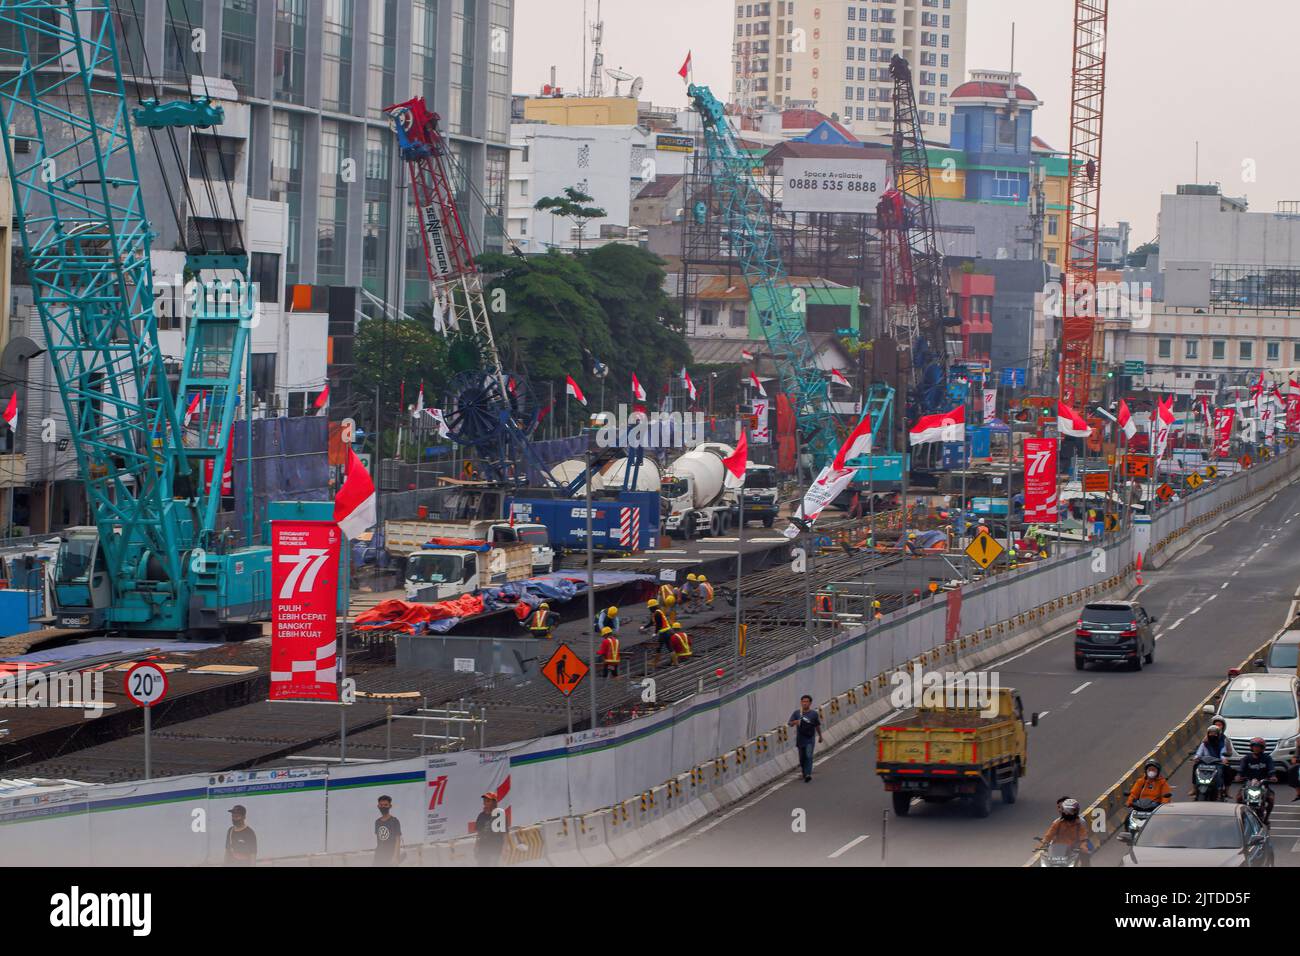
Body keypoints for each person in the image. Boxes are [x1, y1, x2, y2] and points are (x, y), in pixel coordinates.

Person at [1039, 798, 1091, 865]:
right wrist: (1044, 842)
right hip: (1057, 850)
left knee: (1085, 855)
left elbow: (1083, 835)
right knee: (1044, 859)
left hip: (1073, 849)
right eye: (1066, 810)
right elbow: (1050, 834)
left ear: (1076, 811)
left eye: (1071, 811)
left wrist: (1083, 845)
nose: (1068, 813)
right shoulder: (1057, 823)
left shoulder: (1080, 823)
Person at [1237, 737, 1276, 820]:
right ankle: (1239, 817)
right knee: (1238, 798)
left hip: (1263, 785)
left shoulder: (1267, 758)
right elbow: (1241, 768)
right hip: (1248, 784)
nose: (1256, 748)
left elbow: (1271, 768)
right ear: (1251, 747)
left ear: (1262, 748)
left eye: (1258, 746)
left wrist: (1272, 776)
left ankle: (1266, 818)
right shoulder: (1246, 758)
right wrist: (1239, 775)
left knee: (1271, 799)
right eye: (1254, 746)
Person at [787, 695, 824, 782]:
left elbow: (817, 725)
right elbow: (790, 723)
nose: (805, 703)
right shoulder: (797, 713)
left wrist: (820, 736)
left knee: (809, 755)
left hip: (810, 738)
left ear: (810, 703)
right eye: (803, 701)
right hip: (800, 739)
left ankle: (808, 774)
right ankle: (804, 772)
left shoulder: (814, 714)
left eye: (806, 701)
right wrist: (795, 722)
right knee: (802, 758)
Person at [1193, 723, 1232, 796]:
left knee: (1227, 770)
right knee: (1195, 767)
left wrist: (1223, 759)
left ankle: (1225, 790)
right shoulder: (1204, 744)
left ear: (1218, 734)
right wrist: (1196, 758)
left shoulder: (1222, 743)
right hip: (1204, 763)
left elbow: (1222, 754)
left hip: (1217, 763)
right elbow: (1199, 753)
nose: (1212, 735)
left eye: (1214, 733)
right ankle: (1194, 789)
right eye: (1210, 733)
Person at [475, 791, 506, 867]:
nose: (485, 802)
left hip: (495, 848)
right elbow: (479, 833)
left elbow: (505, 833)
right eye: (484, 801)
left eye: (488, 801)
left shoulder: (499, 815)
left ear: (494, 802)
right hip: (483, 848)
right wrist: (476, 846)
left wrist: (505, 848)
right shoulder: (481, 815)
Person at [373, 795, 402, 867]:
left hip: (391, 855)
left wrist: (395, 857)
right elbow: (379, 840)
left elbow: (398, 840)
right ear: (378, 806)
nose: (383, 807)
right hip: (379, 856)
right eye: (381, 805)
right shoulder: (377, 822)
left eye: (386, 805)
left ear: (390, 806)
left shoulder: (394, 821)